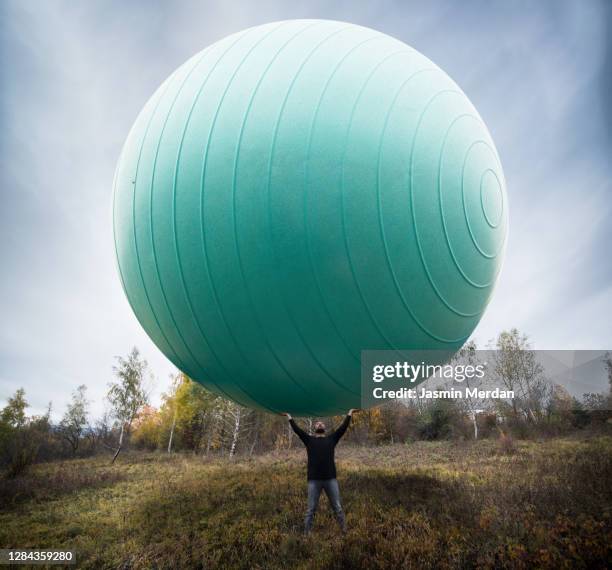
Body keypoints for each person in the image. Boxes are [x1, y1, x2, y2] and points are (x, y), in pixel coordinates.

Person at [282, 409, 359, 534]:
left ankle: (345, 533)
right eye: (317, 423)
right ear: (314, 428)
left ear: (324, 428)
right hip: (314, 480)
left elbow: (342, 428)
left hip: (330, 479)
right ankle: (306, 535)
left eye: (321, 423)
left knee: (337, 508)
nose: (319, 424)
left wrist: (349, 413)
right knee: (311, 509)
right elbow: (297, 430)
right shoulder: (309, 440)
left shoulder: (332, 439)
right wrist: (289, 417)